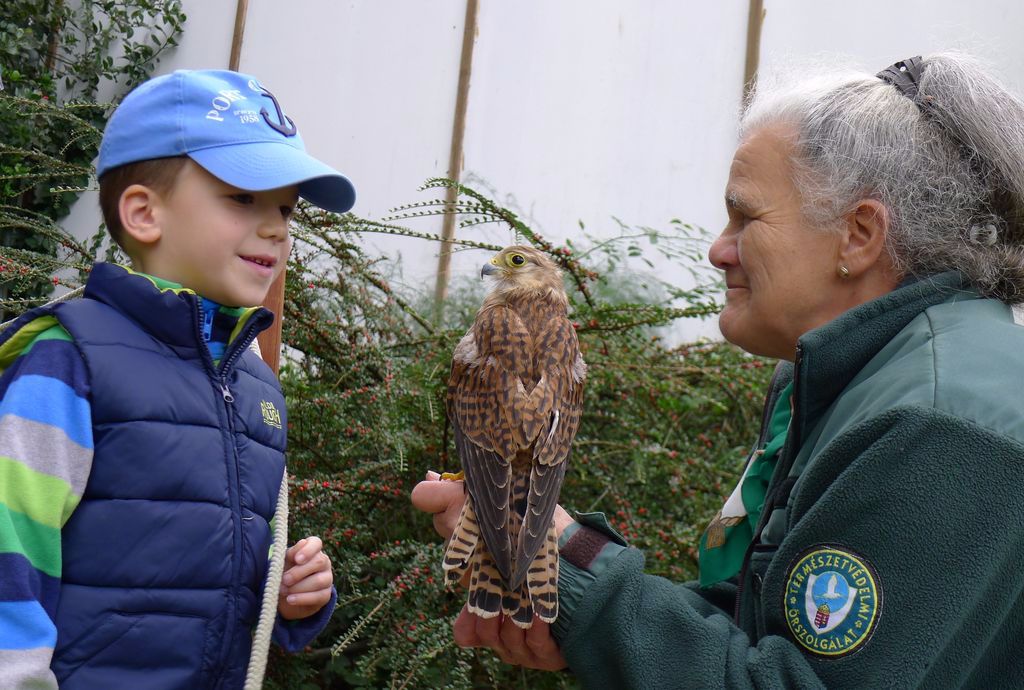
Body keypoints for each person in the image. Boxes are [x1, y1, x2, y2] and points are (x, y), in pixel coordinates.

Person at [412, 51, 1024, 687]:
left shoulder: (939, 421)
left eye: (746, 216)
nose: (717, 249)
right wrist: (585, 606)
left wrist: (571, 561)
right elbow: (769, 635)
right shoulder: (850, 377)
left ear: (859, 234)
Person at [0, 69, 354, 689]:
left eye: (285, 208)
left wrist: (291, 592)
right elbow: (10, 550)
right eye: (244, 197)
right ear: (143, 213)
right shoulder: (70, 361)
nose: (276, 227)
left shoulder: (255, 384)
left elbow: (224, 572)